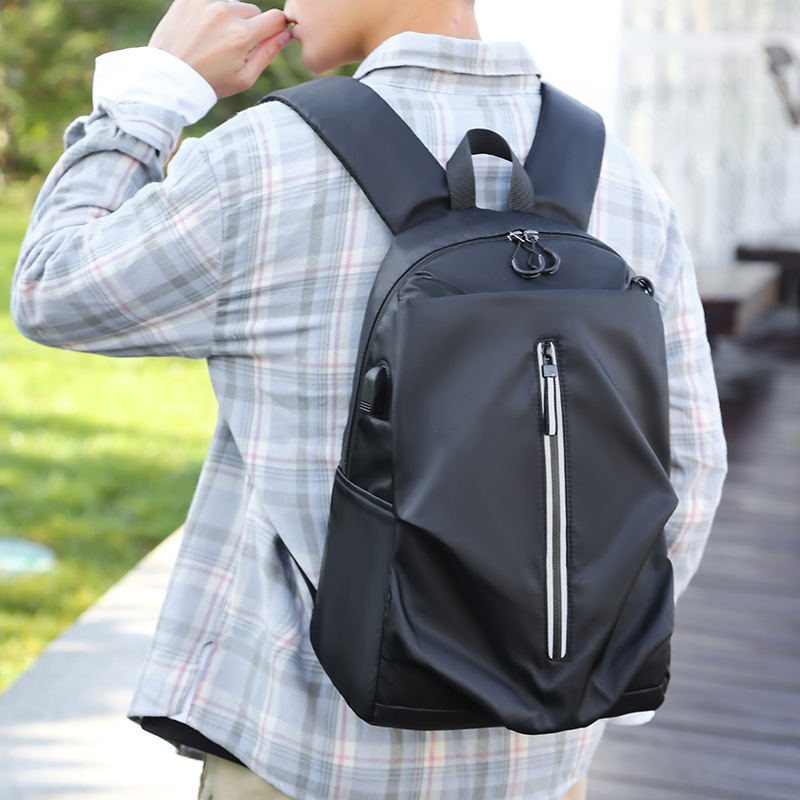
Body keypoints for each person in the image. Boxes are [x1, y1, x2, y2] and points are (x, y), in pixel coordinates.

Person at [11, 0, 728, 798]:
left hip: (309, 755)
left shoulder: (270, 161)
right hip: (540, 763)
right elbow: (689, 466)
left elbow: (53, 287)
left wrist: (156, 92)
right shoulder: (621, 180)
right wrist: (577, 663)